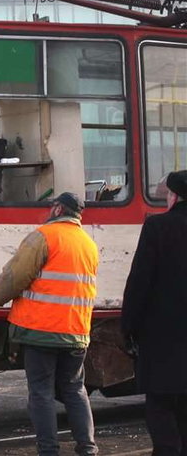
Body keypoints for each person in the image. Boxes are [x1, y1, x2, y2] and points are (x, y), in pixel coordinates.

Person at [0, 192, 99, 456]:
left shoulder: (44, 236)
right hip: (77, 331)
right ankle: (88, 447)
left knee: (41, 392)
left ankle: (49, 450)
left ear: (59, 209)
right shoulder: (88, 244)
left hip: (42, 330)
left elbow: (15, 275)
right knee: (74, 389)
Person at [122, 170, 187, 455]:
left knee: (161, 406)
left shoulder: (158, 228)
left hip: (164, 337)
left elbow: (139, 282)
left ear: (174, 197)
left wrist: (128, 327)